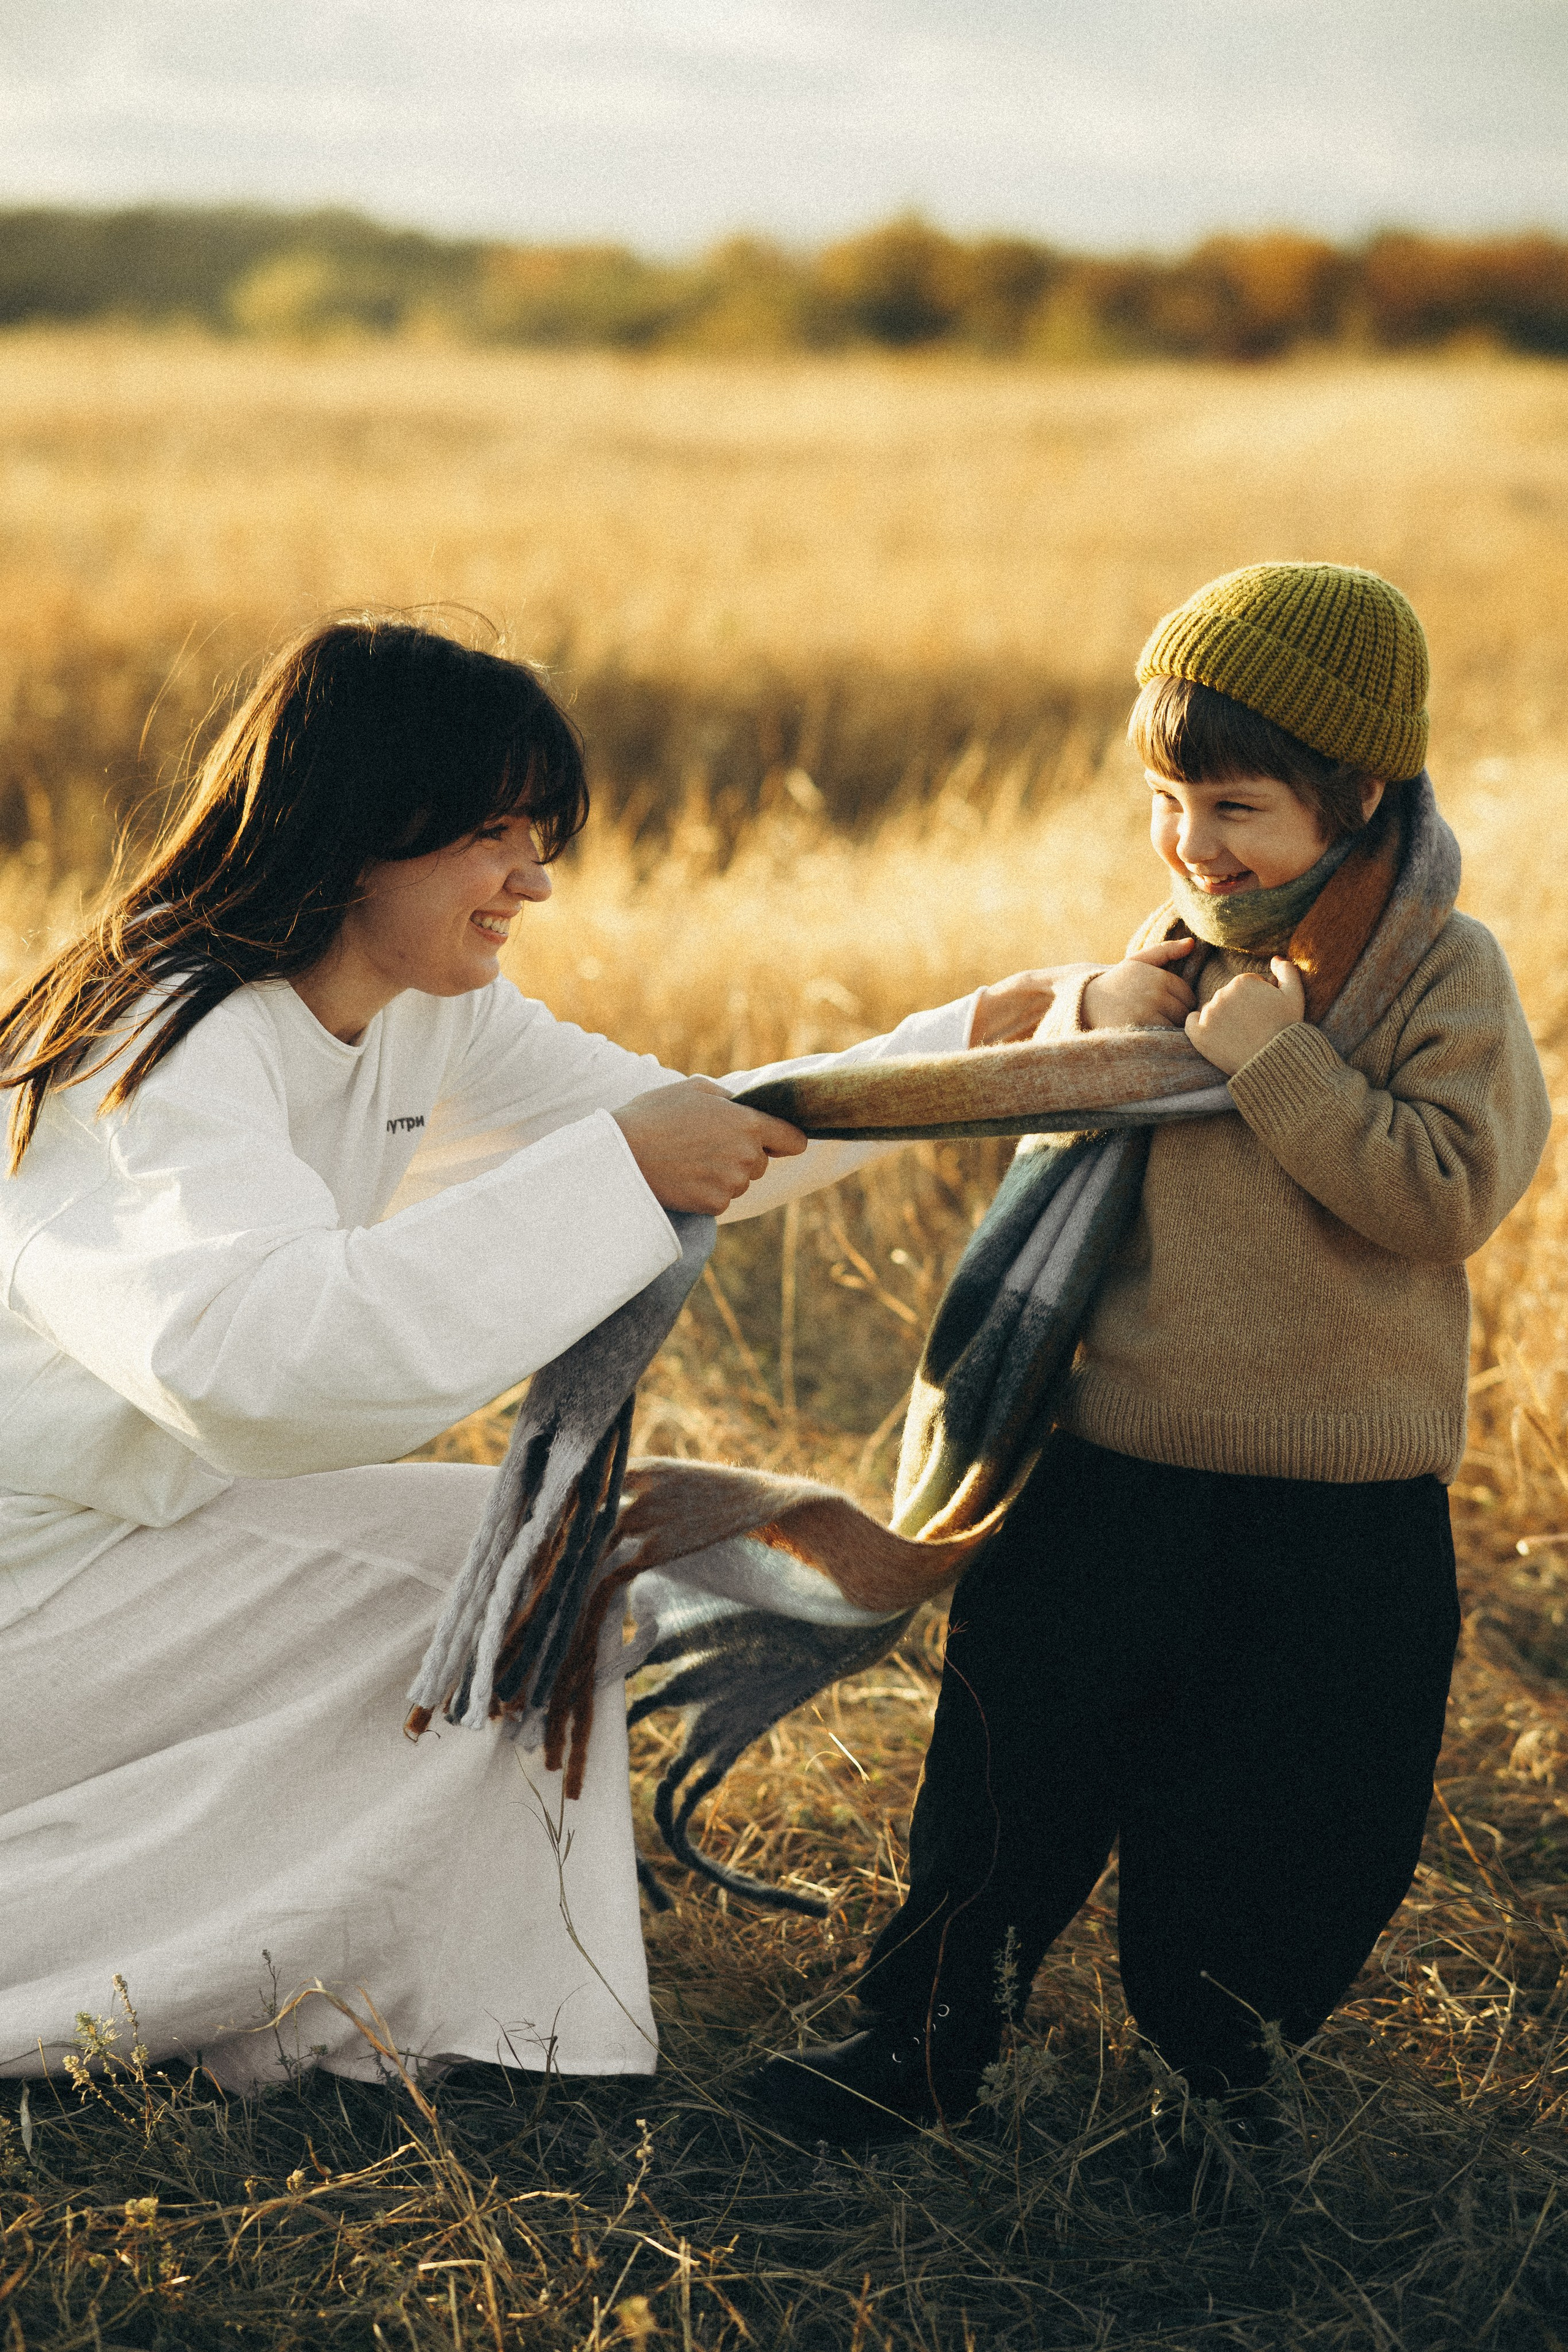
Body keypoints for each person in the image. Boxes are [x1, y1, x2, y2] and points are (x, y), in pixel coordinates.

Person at [0, 618, 1071, 2091]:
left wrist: (1004, 1041)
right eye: (493, 835)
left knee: (543, 1564)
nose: (534, 879)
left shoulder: (420, 1014)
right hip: (35, 1586)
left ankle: (420, 2005)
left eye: (537, 837)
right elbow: (251, 1373)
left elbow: (710, 1133)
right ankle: (252, 1991)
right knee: (505, 1577)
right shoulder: (160, 1047)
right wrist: (618, 1170)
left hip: (133, 1541)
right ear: (359, 830)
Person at [756, 563, 1551, 2186]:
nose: (1192, 842)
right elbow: (1082, 1129)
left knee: (1281, 1818)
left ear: (1359, 793)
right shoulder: (1175, 956)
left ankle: (1223, 2091)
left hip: (1333, 1507)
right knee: (1006, 1770)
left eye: (1235, 806)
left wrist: (1273, 1062)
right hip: (1109, 1464)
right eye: (1167, 801)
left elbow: (1443, 1195)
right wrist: (1103, 1030)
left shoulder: (1441, 973)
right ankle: (925, 2042)